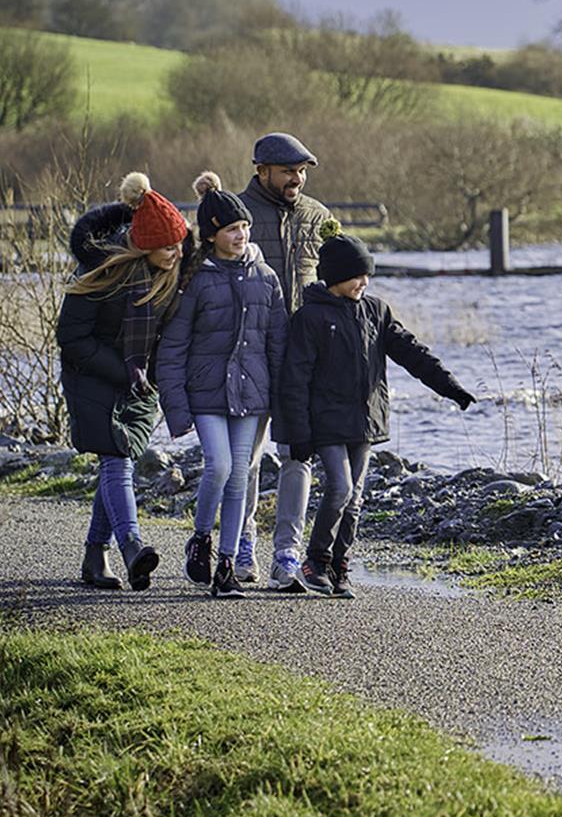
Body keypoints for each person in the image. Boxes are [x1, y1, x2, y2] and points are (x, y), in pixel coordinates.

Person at [275, 222, 474, 597]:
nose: (363, 282)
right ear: (334, 278)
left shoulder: (376, 312)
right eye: (356, 276)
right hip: (327, 421)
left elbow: (411, 352)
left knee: (355, 498)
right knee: (340, 487)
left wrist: (450, 387)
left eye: (367, 275)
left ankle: (339, 567)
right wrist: (298, 433)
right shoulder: (311, 318)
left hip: (365, 419)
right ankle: (315, 560)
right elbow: (295, 381)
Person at [155, 172, 287, 599]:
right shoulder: (195, 281)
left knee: (241, 477)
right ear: (212, 235)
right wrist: (177, 408)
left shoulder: (266, 277)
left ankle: (226, 565)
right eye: (232, 229)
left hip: (252, 396)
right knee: (220, 466)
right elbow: (172, 349)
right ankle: (200, 538)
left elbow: (277, 343)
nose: (241, 235)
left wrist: (284, 401)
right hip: (206, 393)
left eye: (244, 227)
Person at [59, 172, 191, 592]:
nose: (175, 252)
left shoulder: (172, 275)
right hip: (93, 377)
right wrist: (124, 372)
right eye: (166, 246)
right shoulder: (101, 272)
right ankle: (131, 546)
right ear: (145, 244)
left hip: (140, 385)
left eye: (178, 244)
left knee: (120, 460)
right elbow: (71, 338)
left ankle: (94, 555)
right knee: (117, 459)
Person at [235, 132, 334, 590]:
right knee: (246, 459)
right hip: (250, 355)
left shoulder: (318, 216)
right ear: (262, 171)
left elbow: (341, 280)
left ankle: (287, 554)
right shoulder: (237, 215)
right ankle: (241, 547)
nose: (297, 179)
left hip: (305, 359)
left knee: (298, 455)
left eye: (302, 172)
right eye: (288, 171)